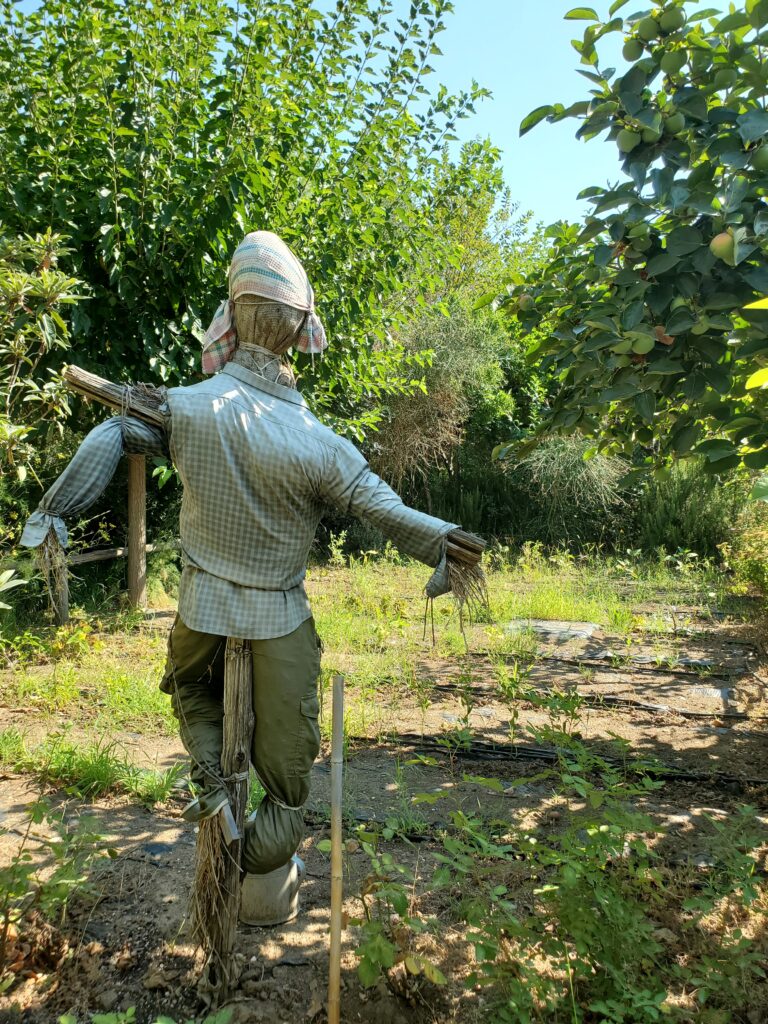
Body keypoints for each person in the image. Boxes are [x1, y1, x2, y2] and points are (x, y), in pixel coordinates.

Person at [20, 231, 475, 922]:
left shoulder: (184, 407)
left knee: (191, 697)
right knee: (290, 784)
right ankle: (253, 855)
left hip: (199, 609)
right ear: (300, 331)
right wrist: (447, 547)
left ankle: (210, 793)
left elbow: (115, 433)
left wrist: (53, 512)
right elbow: (384, 508)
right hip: (279, 619)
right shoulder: (322, 445)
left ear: (230, 320)